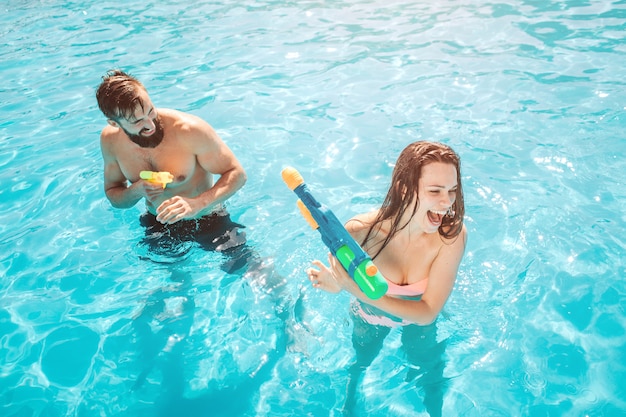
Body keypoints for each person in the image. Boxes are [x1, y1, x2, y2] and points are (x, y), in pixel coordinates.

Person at [306, 141, 467, 417]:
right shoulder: (360, 233)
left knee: (430, 373)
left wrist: (349, 287)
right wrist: (336, 283)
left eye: (452, 190)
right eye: (435, 191)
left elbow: (428, 312)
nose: (447, 202)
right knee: (360, 362)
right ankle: (349, 403)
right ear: (405, 189)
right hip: (369, 316)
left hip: (419, 320)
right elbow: (338, 274)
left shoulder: (450, 238)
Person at [96, 69, 250, 269]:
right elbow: (114, 196)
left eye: (151, 111)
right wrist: (137, 190)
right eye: (137, 121)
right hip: (158, 222)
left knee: (250, 268)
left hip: (207, 218)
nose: (150, 124)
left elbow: (238, 174)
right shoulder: (110, 141)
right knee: (177, 288)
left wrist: (197, 203)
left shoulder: (189, 130)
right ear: (113, 123)